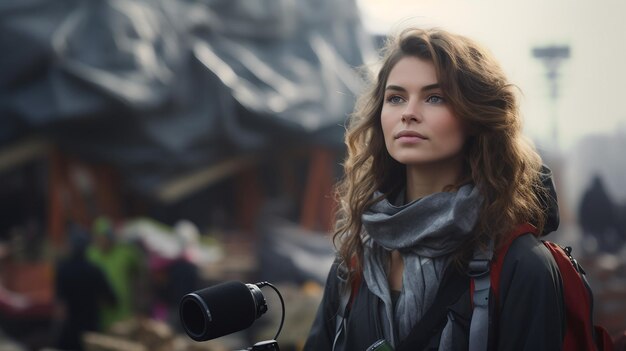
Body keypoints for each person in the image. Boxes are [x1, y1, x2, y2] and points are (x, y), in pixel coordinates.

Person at [304, 28, 565, 350]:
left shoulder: (521, 265)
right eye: (396, 98)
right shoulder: (355, 256)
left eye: (434, 97)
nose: (409, 113)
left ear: (474, 116)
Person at [54, 224, 116, 350]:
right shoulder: (94, 270)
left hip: (69, 331)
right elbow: (111, 299)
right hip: (91, 329)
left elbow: (60, 307)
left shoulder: (63, 270)